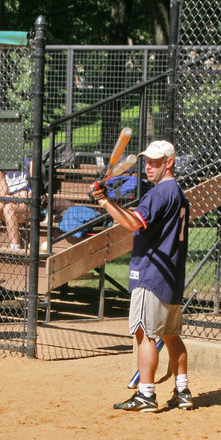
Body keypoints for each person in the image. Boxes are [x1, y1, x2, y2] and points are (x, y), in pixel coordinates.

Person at [93, 140, 192, 412]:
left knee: (145, 334)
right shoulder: (179, 194)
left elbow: (133, 222)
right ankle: (182, 390)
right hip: (172, 277)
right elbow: (138, 218)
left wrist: (104, 201)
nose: (149, 166)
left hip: (151, 275)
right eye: (147, 161)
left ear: (169, 163)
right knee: (171, 334)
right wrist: (110, 202)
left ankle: (146, 394)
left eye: (156, 162)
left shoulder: (159, 193)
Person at [0, 157, 32, 250]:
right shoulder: (4, 165)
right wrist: (18, 195)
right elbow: (3, 195)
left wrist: (11, 197)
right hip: (11, 202)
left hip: (28, 206)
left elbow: (30, 195)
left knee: (8, 208)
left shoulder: (29, 162)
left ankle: (15, 247)